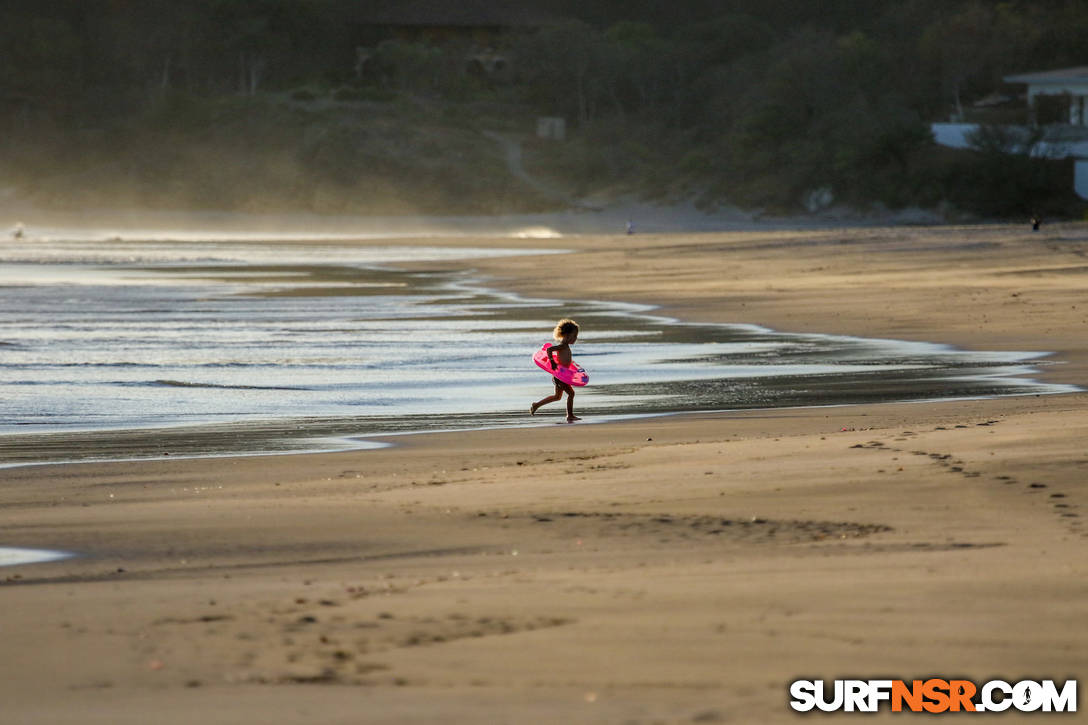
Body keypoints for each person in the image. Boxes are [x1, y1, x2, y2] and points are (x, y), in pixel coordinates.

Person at [530, 318, 581, 423]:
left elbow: (565, 360)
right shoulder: (562, 346)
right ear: (567, 335)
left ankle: (536, 405)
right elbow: (549, 349)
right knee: (571, 394)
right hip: (561, 377)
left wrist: (572, 366)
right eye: (574, 336)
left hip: (562, 376)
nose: (576, 338)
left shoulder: (565, 346)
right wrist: (552, 362)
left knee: (557, 397)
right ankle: (570, 415)